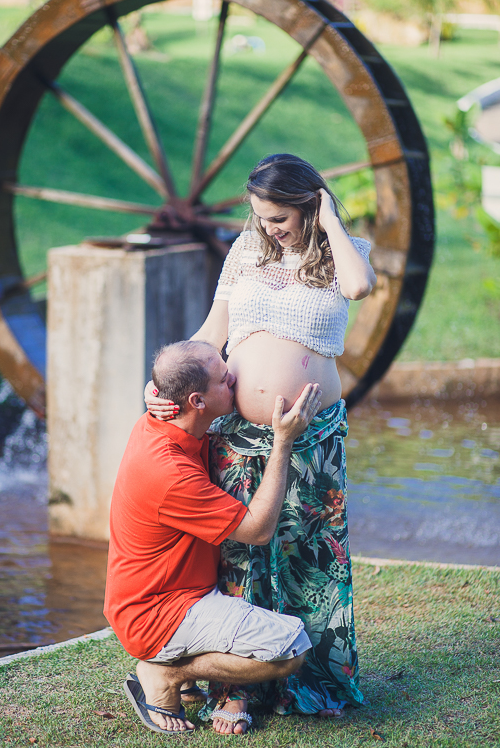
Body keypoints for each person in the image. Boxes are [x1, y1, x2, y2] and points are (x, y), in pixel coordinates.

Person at [146, 153, 377, 732]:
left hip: (312, 437)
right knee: (240, 556)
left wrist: (328, 219)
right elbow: (211, 333)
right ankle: (236, 689)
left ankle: (314, 678)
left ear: (308, 205)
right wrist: (163, 381)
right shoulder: (246, 251)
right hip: (239, 436)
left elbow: (360, 286)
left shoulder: (344, 252)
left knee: (309, 555)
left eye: (279, 218)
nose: (268, 229)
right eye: (260, 217)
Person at [104, 339, 324, 736]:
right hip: (159, 614)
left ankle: (176, 666)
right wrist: (283, 441)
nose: (234, 379)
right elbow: (257, 530)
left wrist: (153, 389)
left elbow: (168, 383)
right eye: (224, 379)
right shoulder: (169, 473)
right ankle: (166, 674)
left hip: (164, 596)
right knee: (291, 649)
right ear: (196, 401)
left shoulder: (161, 422)